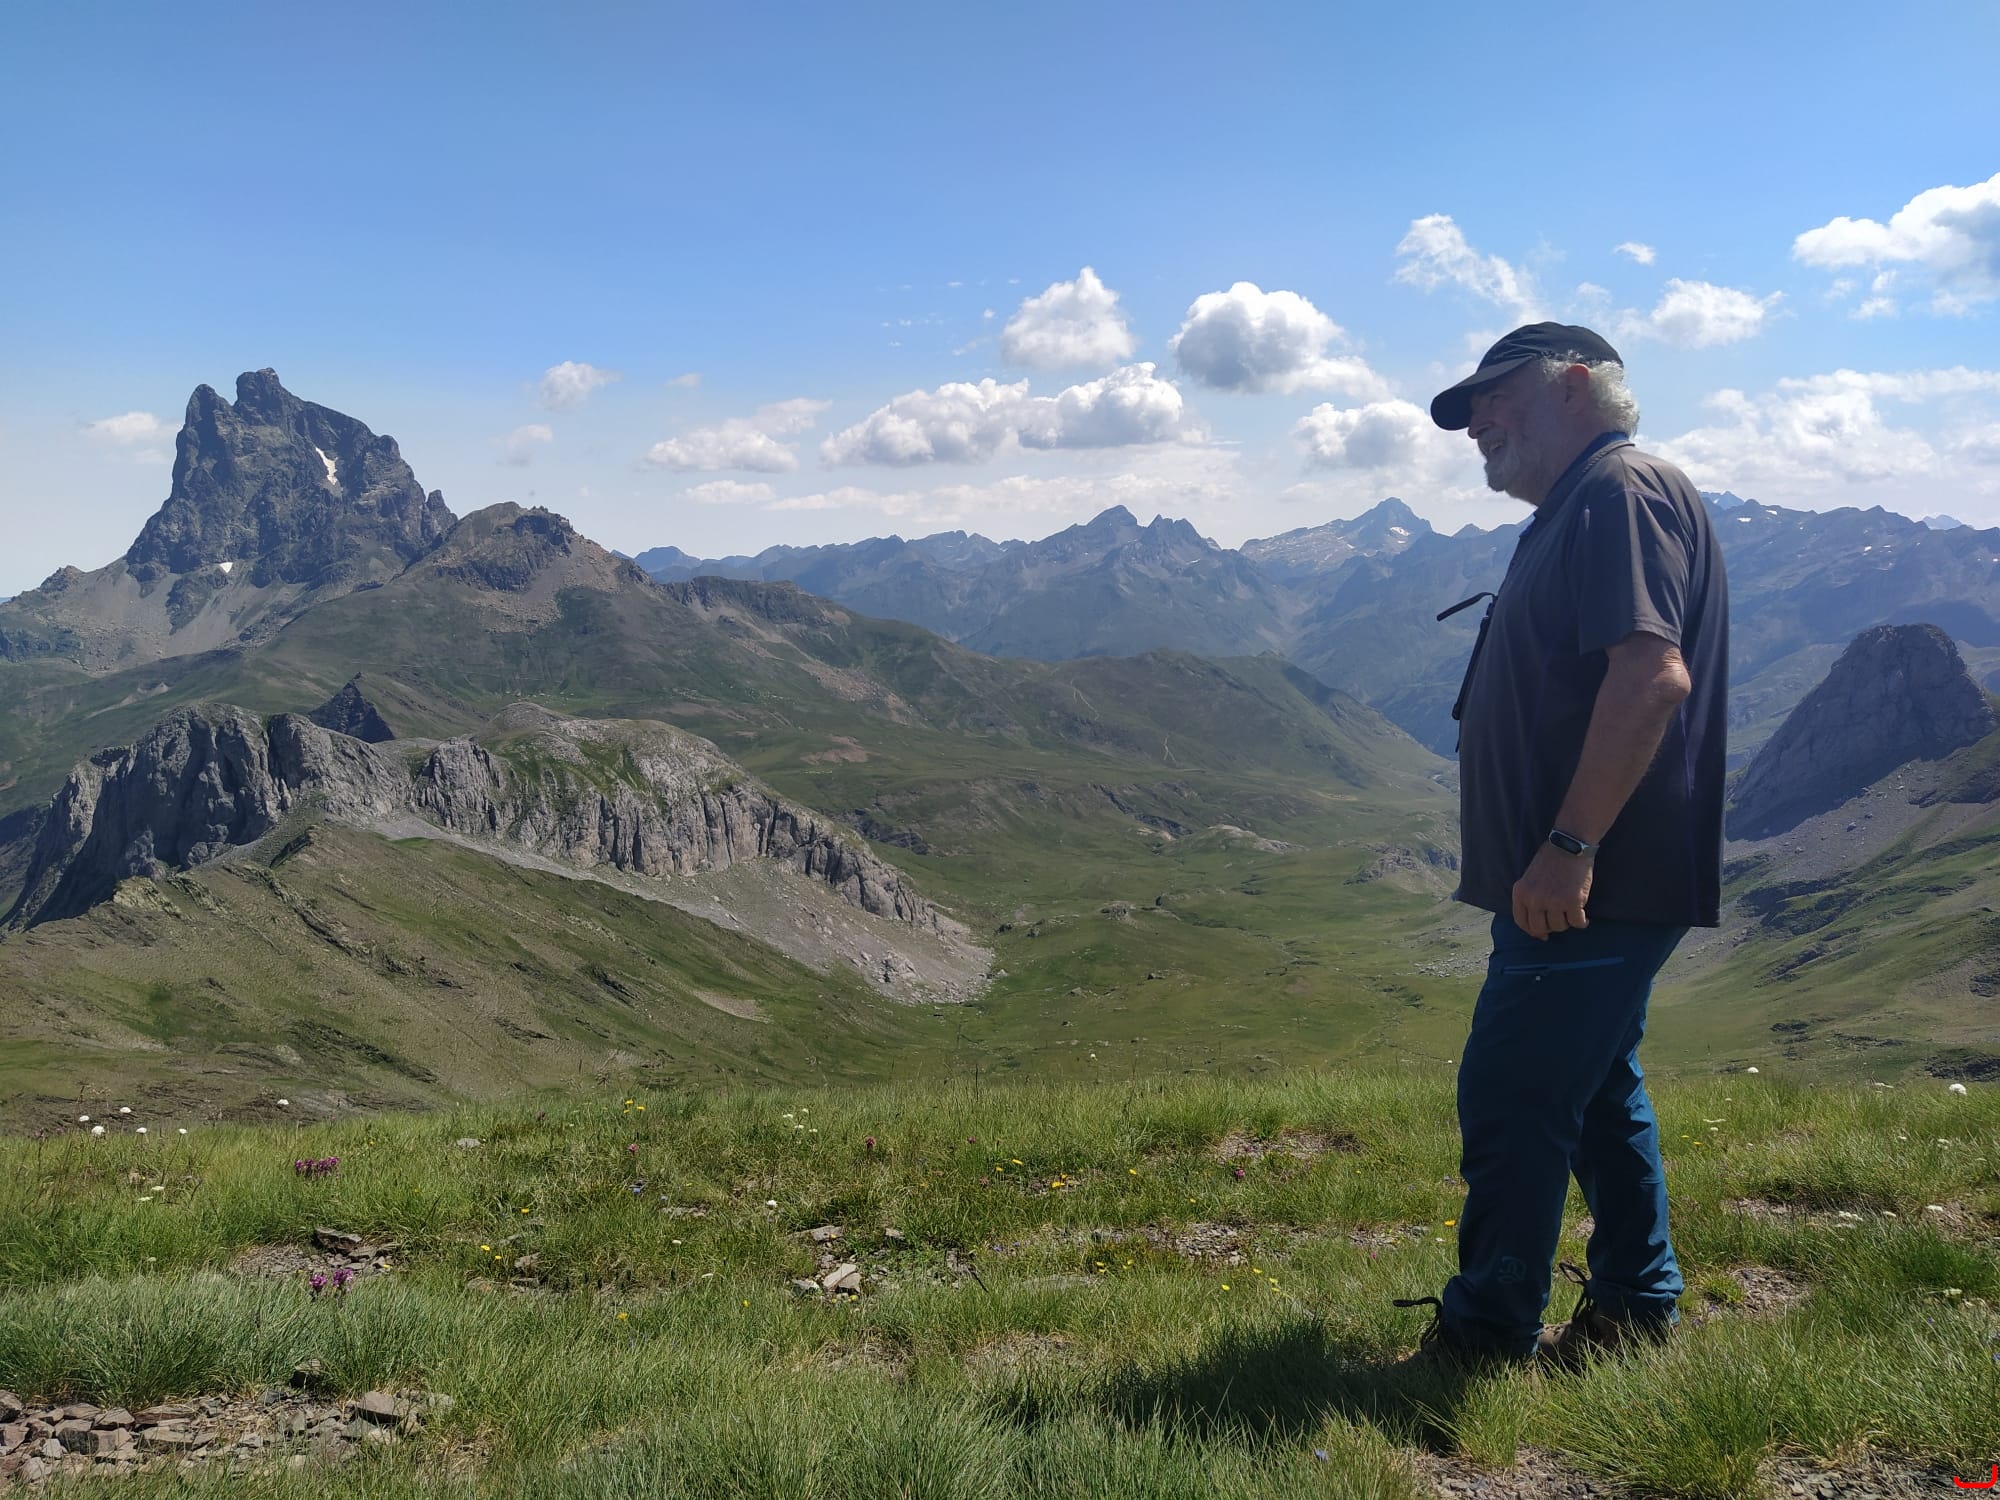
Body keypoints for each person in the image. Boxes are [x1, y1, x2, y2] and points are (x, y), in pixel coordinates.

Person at [1397, 322, 1729, 1370]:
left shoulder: (1617, 492)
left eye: (1494, 397)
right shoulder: (1579, 502)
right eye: (1468, 412)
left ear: (1575, 385)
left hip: (1591, 882)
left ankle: (1485, 1333)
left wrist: (1569, 845)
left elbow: (1651, 677)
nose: (1475, 424)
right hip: (1582, 882)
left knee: (1511, 1093)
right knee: (1593, 1090)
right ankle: (1635, 1309)